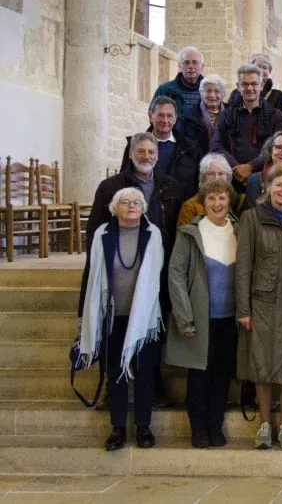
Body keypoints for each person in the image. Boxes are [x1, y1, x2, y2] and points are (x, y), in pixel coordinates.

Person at [77, 187, 164, 451]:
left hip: (145, 317)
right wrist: (85, 312)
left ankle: (143, 427)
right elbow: (92, 275)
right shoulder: (103, 233)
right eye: (125, 202)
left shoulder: (153, 233)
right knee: (115, 372)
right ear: (115, 207)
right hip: (112, 315)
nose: (131, 206)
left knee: (144, 372)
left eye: (137, 202)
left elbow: (155, 275)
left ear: (144, 206)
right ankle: (117, 427)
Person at [236, 164, 282, 449]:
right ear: (268, 187)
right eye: (279, 185)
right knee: (262, 363)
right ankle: (265, 424)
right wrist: (243, 309)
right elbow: (243, 267)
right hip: (261, 301)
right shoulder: (251, 218)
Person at [165, 180, 238, 448]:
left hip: (229, 319)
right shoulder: (189, 233)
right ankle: (198, 428)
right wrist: (185, 318)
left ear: (229, 200)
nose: (217, 204)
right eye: (211, 199)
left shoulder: (239, 231)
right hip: (199, 318)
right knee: (199, 375)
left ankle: (214, 425)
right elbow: (176, 276)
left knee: (221, 374)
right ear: (203, 203)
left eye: (221, 198)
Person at [80, 133, 183, 320]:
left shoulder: (170, 186)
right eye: (141, 151)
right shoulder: (110, 187)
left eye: (151, 152)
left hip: (159, 264)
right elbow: (95, 231)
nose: (147, 156)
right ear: (130, 154)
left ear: (157, 155)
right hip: (121, 265)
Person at [211, 64, 282, 187]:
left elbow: (277, 147)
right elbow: (216, 145)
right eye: (244, 84)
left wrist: (250, 167)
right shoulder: (226, 114)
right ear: (238, 87)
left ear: (261, 86)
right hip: (232, 177)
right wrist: (237, 168)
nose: (249, 88)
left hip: (264, 178)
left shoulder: (275, 115)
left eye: (254, 84)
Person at [119, 96, 202, 198]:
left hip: (180, 211)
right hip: (145, 208)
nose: (165, 120)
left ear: (175, 118)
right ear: (150, 116)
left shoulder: (190, 148)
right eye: (160, 115)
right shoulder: (134, 145)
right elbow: (123, 181)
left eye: (170, 116)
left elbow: (197, 184)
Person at [177, 153, 247, 228]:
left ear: (228, 177)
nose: (216, 178)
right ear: (202, 178)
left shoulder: (241, 202)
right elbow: (183, 237)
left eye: (221, 173)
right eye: (211, 174)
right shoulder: (190, 207)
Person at [176, 74, 228, 155]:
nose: (212, 95)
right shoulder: (188, 117)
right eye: (208, 91)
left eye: (217, 91)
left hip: (228, 163)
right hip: (198, 164)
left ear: (223, 94)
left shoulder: (233, 114)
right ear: (201, 93)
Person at [152, 46, 205, 115]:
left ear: (202, 67)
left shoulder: (210, 91)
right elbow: (153, 115)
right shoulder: (165, 90)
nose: (191, 66)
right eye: (186, 63)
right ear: (180, 67)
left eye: (195, 62)